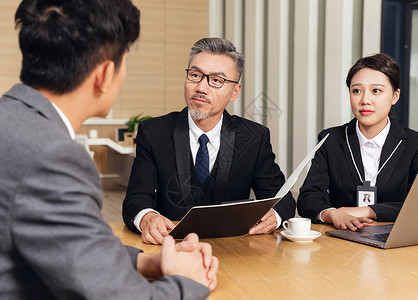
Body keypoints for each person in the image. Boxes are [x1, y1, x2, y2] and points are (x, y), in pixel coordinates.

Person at [0, 0, 218, 299]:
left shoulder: (11, 122)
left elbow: (66, 242)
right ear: (104, 74)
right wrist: (189, 281)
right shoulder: (51, 156)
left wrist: (146, 262)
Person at [123, 37, 296, 244]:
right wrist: (147, 217)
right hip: (170, 249)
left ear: (234, 92)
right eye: (195, 75)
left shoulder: (254, 137)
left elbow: (282, 199)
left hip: (236, 251)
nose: (201, 88)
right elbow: (136, 198)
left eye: (216, 80)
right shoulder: (154, 132)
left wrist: (273, 216)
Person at [297, 53, 418, 231]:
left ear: (395, 96)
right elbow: (308, 197)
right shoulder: (331, 139)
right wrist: (332, 213)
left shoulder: (415, 143)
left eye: (376, 91)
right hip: (343, 238)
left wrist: (368, 211)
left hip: (397, 237)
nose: (365, 100)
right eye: (356, 91)